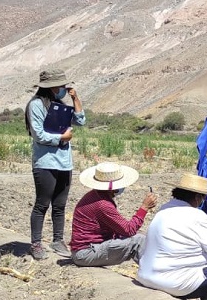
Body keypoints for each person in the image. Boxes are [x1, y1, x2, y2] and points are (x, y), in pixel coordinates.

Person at [25, 68, 85, 260]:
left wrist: (76, 99)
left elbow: (81, 121)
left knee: (59, 205)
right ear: (51, 87)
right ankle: (36, 243)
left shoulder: (61, 105)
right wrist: (61, 137)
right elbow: (38, 134)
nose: (64, 89)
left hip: (64, 163)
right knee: (42, 204)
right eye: (61, 86)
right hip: (45, 162)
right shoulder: (36, 105)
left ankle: (58, 240)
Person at [69, 162, 157, 266]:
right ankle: (152, 272)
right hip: (85, 253)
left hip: (85, 250)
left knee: (139, 237)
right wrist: (144, 207)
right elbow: (129, 230)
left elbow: (119, 228)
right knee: (138, 241)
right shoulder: (102, 204)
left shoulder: (95, 196)